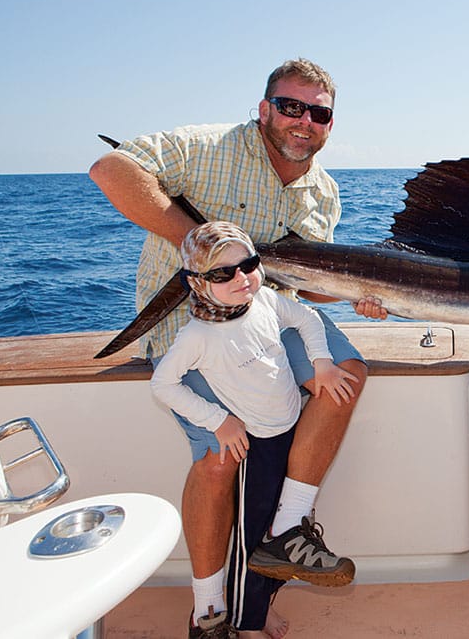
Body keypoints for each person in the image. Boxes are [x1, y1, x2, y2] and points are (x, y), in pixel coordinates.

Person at [90, 58, 386, 639]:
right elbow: (110, 169)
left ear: (330, 124)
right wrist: (205, 249)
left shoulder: (322, 191)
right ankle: (208, 612)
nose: (304, 121)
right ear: (265, 108)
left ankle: (288, 532)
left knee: (346, 371)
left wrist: (360, 296)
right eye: (291, 106)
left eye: (319, 113)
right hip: (190, 325)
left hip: (269, 321)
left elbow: (303, 284)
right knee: (222, 458)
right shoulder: (206, 146)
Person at [151, 221, 359, 638]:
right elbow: (164, 385)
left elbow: (308, 318)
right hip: (257, 448)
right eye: (221, 274)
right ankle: (247, 622)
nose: (240, 278)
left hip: (290, 431)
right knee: (253, 542)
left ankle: (263, 604)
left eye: (248, 264)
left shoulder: (264, 299)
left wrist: (321, 361)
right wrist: (218, 420)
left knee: (276, 539)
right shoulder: (198, 336)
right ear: (196, 282)